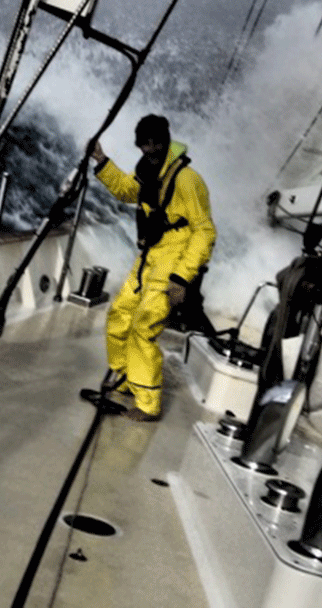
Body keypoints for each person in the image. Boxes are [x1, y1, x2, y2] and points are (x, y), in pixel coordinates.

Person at [90, 115, 216, 421]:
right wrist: (101, 159)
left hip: (173, 259)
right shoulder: (146, 171)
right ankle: (125, 378)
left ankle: (147, 403)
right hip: (149, 256)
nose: (149, 148)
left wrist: (181, 279)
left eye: (154, 142)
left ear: (165, 140)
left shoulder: (188, 180)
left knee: (143, 328)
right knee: (119, 314)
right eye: (143, 143)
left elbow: (204, 231)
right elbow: (125, 191)